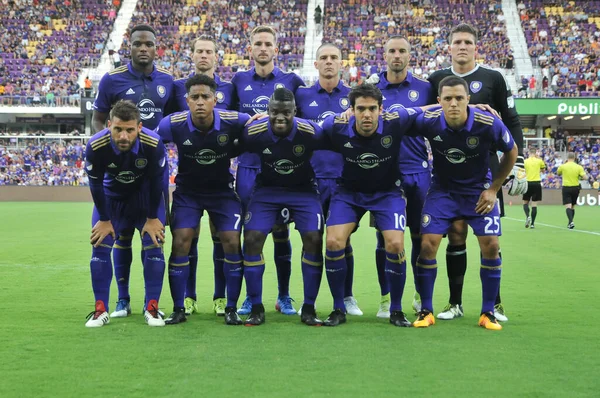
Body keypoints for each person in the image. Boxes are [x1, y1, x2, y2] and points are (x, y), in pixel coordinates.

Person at [428, 23, 526, 322]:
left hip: (485, 172)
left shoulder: (493, 78)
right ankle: (454, 303)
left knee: (490, 239)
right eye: (457, 41)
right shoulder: (436, 80)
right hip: (449, 171)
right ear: (449, 47)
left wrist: (518, 164)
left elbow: (511, 120)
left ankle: (494, 304)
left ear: (476, 47)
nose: (462, 46)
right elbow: (426, 115)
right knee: (455, 233)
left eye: (467, 42)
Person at [410, 76, 517, 331]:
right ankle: (426, 310)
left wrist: (493, 189)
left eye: (459, 98)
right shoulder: (429, 121)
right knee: (427, 245)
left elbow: (511, 152)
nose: (454, 103)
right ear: (439, 102)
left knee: (491, 245)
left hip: (478, 191)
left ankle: (488, 312)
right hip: (442, 191)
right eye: (448, 99)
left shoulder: (488, 122)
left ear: (469, 99)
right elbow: (397, 120)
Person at [320, 83, 427, 327]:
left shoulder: (396, 121)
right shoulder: (335, 127)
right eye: (361, 109)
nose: (366, 114)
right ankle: (338, 308)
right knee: (334, 241)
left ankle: (396, 310)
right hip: (349, 193)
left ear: (381, 109)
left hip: (386, 193)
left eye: (371, 109)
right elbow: (304, 131)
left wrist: (471, 105)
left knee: (396, 243)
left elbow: (429, 109)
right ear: (352, 110)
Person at [92, 24, 174, 319]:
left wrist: (164, 150)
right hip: (119, 171)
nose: (143, 48)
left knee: (155, 237)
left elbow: (177, 119)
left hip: (153, 172)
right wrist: (110, 151)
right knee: (120, 237)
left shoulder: (168, 81)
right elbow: (98, 119)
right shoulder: (112, 80)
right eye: (138, 43)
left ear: (155, 48)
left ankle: (151, 304)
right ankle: (122, 301)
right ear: (130, 46)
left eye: (148, 44)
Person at [155, 74, 251, 325]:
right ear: (186, 100)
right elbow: (151, 141)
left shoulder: (233, 120)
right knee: (181, 242)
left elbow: (257, 125)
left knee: (231, 240)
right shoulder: (172, 123)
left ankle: (230, 307)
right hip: (189, 193)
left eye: (205, 97)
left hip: (222, 192)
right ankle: (179, 308)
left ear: (215, 99)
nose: (200, 102)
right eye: (194, 97)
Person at [231, 25, 305, 316]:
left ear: (276, 49)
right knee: (252, 234)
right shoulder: (237, 81)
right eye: (257, 43)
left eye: (268, 44)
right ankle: (252, 297)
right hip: (249, 168)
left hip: (281, 169)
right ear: (250, 50)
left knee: (281, 233)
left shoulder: (292, 81)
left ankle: (284, 296)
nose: (263, 48)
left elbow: (303, 124)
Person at [239, 88, 325, 327]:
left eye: (286, 112)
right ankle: (256, 307)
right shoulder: (253, 132)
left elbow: (337, 141)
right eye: (274, 112)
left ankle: (308, 307)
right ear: (267, 111)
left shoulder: (312, 132)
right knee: (253, 238)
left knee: (314, 237)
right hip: (267, 190)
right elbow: (233, 146)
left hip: (303, 190)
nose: (280, 117)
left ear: (294, 112)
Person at [366, 36, 436, 318]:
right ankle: (386, 299)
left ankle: (420, 296)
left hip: (418, 171)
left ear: (410, 55)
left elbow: (440, 115)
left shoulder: (425, 88)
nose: (397, 55)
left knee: (420, 238)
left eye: (402, 51)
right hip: (383, 174)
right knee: (385, 240)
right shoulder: (372, 88)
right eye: (392, 51)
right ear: (384, 55)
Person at [84, 100, 168, 328]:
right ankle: (100, 309)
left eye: (130, 130)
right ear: (109, 124)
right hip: (112, 199)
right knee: (100, 244)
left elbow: (157, 183)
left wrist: (152, 218)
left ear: (139, 128)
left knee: (154, 243)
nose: (123, 136)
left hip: (145, 198)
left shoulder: (153, 143)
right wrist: (103, 219)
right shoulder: (95, 145)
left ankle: (151, 308)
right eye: (118, 129)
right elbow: (96, 185)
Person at [173, 35, 236, 317]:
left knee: (222, 238)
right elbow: (165, 129)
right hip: (189, 178)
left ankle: (221, 298)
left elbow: (240, 125)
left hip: (220, 180)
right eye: (199, 51)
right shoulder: (177, 88)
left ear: (216, 56)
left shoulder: (230, 89)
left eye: (209, 51)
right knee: (187, 237)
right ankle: (188, 298)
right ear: (192, 55)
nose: (203, 56)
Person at [295, 43, 360, 316]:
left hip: (345, 180)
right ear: (316, 64)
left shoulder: (356, 97)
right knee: (311, 239)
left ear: (342, 63)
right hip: (310, 180)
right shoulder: (301, 96)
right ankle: (307, 301)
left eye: (334, 57)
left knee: (342, 240)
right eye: (324, 58)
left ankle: (346, 297)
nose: (329, 62)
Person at [557, 152, 587, 229]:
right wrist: (579, 177)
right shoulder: (578, 167)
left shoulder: (563, 166)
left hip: (566, 187)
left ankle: (571, 222)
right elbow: (585, 177)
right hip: (575, 188)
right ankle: (570, 222)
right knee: (572, 206)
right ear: (574, 158)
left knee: (568, 206)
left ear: (567, 158)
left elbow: (558, 173)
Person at [523, 149, 546, 228]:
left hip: (528, 183)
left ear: (529, 153)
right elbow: (543, 170)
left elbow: (523, 171)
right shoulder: (539, 161)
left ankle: (527, 216)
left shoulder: (525, 161)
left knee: (525, 202)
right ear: (535, 153)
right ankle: (532, 224)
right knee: (534, 204)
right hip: (536, 183)